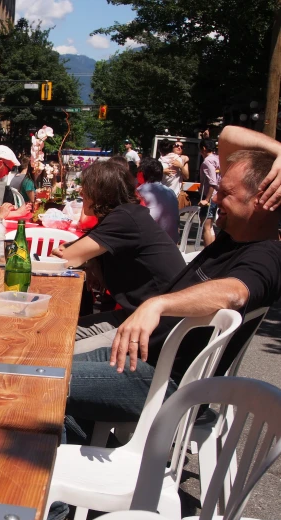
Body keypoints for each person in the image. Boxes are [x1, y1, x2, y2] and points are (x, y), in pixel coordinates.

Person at [66, 126, 281, 433]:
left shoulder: (267, 255)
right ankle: (86, 453)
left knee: (41, 383)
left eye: (226, 193)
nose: (215, 199)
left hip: (167, 383)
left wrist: (157, 304)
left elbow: (234, 292)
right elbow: (229, 135)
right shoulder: (235, 235)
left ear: (263, 199)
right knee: (44, 364)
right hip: (142, 358)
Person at [51, 160, 186, 355]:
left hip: (157, 327)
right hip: (135, 314)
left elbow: (67, 256)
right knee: (55, 333)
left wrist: (84, 258)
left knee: (61, 353)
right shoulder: (125, 215)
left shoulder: (125, 219)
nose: (81, 194)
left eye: (86, 189)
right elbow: (71, 250)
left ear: (101, 193)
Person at [136, 156, 179, 243]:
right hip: (172, 243)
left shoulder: (140, 191)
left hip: (153, 245)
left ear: (141, 173)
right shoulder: (170, 192)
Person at [199, 138, 221, 246]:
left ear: (203, 148)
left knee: (206, 227)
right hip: (217, 196)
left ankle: (207, 255)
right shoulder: (217, 159)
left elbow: (213, 182)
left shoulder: (208, 161)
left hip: (210, 197)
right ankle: (211, 253)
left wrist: (206, 199)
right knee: (210, 227)